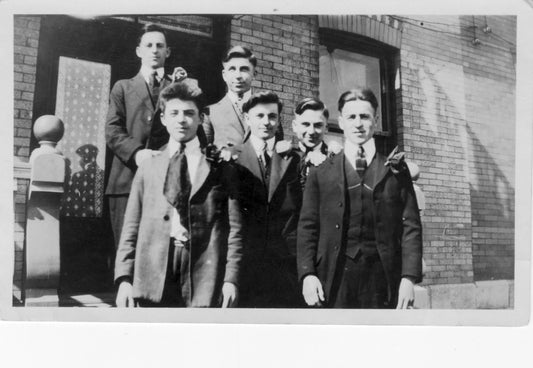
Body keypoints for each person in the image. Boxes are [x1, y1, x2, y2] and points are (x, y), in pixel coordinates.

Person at [114, 80, 243, 308]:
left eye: (189, 113)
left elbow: (234, 228)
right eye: (174, 113)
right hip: (153, 270)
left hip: (203, 271)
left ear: (201, 118)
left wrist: (230, 279)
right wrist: (124, 278)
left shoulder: (219, 168)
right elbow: (131, 225)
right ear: (163, 118)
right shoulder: (149, 166)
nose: (181, 120)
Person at [297, 87, 423, 309]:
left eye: (364, 116)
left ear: (375, 120)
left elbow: (410, 227)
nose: (358, 123)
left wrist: (408, 278)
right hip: (334, 280)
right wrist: (308, 275)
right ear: (341, 122)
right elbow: (308, 227)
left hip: (383, 280)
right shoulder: (321, 172)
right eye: (351, 117)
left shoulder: (396, 171)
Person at [105, 23, 187, 249]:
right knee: (126, 250)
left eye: (160, 46)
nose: (154, 50)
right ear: (139, 51)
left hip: (166, 180)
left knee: (158, 252)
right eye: (148, 45)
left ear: (167, 52)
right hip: (126, 181)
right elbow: (112, 130)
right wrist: (137, 154)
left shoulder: (178, 88)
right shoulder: (122, 87)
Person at [234, 91, 302, 308]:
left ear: (279, 119)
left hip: (284, 264)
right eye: (259, 116)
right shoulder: (233, 158)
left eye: (272, 116)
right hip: (247, 263)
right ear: (247, 119)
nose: (266, 122)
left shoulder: (293, 158)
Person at [203, 45, 282, 148]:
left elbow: (278, 154)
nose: (238, 76)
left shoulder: (270, 111)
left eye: (244, 69)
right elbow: (205, 155)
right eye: (232, 69)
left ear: (254, 74)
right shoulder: (210, 114)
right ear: (224, 75)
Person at [291, 97, 330, 188]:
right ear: (295, 126)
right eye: (305, 124)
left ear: (326, 128)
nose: (311, 131)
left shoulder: (336, 159)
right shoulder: (285, 158)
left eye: (318, 125)